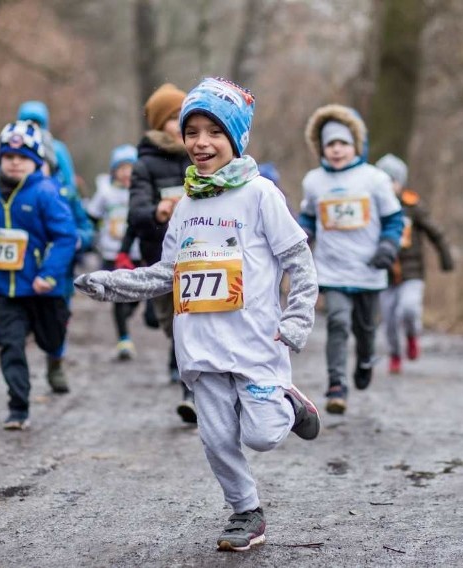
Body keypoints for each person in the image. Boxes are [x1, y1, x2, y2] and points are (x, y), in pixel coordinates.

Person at [75, 77, 321, 552]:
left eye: (214, 131)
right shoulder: (186, 205)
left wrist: (297, 319)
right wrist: (112, 283)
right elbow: (167, 272)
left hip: (255, 344)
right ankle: (245, 511)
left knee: (263, 435)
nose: (201, 143)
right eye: (193, 132)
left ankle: (288, 404)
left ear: (235, 138)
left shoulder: (260, 194)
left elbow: (299, 260)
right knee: (216, 438)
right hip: (201, 347)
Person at [0, 120, 77, 430]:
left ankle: (55, 355)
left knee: (51, 337)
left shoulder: (46, 193)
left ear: (36, 162)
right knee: (9, 344)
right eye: (9, 157)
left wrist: (49, 274)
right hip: (6, 289)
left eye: (23, 158)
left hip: (43, 289)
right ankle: (18, 407)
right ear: (0, 159)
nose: (15, 163)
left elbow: (66, 237)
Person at [299, 105, 404, 415]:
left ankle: (367, 358)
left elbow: (394, 219)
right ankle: (336, 385)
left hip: (369, 269)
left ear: (356, 145)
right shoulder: (313, 181)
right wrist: (300, 237)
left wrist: (387, 247)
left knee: (365, 330)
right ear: (321, 148)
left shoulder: (374, 179)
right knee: (337, 322)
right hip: (332, 269)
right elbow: (307, 218)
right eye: (330, 144)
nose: (336, 150)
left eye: (342, 143)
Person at [126, 83, 196, 421]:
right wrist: (157, 212)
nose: (181, 123)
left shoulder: (200, 156)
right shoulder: (143, 166)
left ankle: (192, 394)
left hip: (199, 258)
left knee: (192, 325)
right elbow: (135, 215)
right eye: (173, 117)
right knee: (173, 327)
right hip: (161, 261)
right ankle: (182, 366)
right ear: (158, 124)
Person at [17, 101, 95, 391]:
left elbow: (85, 227)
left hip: (59, 272)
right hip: (21, 270)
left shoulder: (63, 185)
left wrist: (78, 240)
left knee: (57, 317)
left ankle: (55, 362)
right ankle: (18, 373)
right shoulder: (13, 183)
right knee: (17, 320)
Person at [375, 154, 453, 374]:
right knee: (389, 320)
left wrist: (445, 257)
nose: (389, 186)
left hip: (412, 273)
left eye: (393, 180)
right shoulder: (373, 208)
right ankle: (395, 355)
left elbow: (435, 232)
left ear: (401, 182)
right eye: (384, 180)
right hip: (385, 274)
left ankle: (411, 336)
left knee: (408, 309)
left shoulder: (412, 206)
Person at [86, 144, 142, 360]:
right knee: (119, 296)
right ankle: (124, 339)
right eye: (122, 168)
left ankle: (127, 314)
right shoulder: (105, 193)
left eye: (131, 168)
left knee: (136, 294)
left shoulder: (141, 191)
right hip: (111, 252)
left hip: (136, 252)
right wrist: (93, 237)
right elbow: (92, 215)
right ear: (114, 171)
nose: (127, 173)